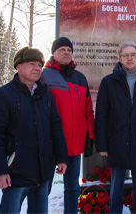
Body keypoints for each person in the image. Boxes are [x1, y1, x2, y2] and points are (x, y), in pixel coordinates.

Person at [0, 47, 68, 214]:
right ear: (18, 67)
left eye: (39, 65)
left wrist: (61, 157)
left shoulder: (45, 94)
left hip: (42, 172)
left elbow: (55, 127)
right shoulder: (3, 95)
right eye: (32, 64)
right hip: (16, 173)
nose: (37, 68)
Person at [95, 41, 136, 213]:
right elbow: (101, 115)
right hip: (117, 140)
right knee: (116, 188)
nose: (130, 58)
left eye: (133, 55)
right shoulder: (108, 82)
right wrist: (102, 145)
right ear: (120, 59)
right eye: (126, 55)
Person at [40, 37, 95, 213]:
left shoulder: (80, 78)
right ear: (53, 53)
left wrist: (90, 137)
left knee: (72, 188)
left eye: (69, 50)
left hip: (74, 144)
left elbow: (88, 111)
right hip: (49, 144)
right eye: (62, 49)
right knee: (42, 189)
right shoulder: (43, 76)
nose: (66, 52)